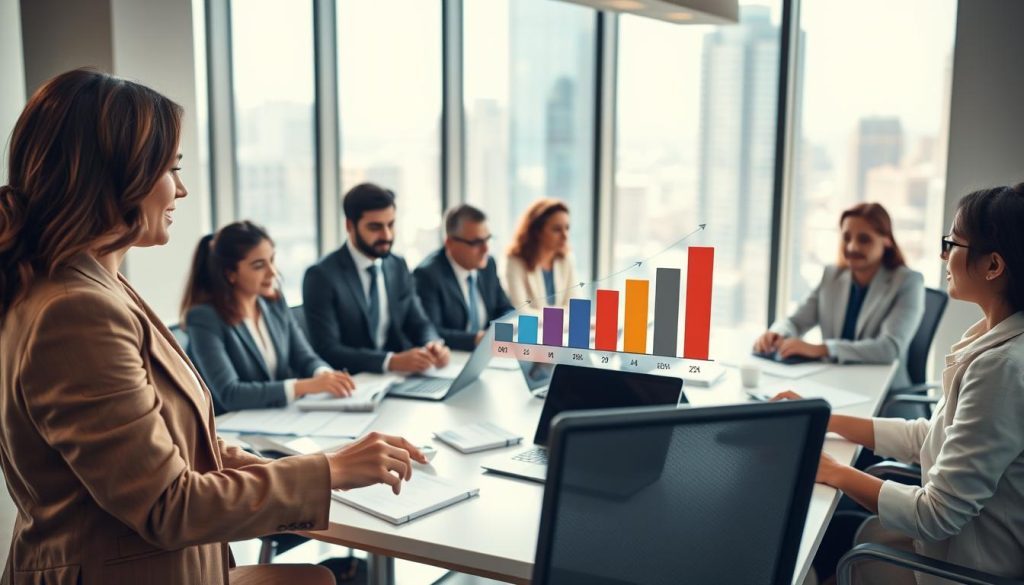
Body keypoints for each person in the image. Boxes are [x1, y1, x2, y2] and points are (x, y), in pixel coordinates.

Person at [0, 69, 425, 585]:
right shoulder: (75, 312)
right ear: (116, 177)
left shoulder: (92, 288)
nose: (180, 190)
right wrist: (329, 471)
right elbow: (167, 505)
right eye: (170, 169)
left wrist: (314, 468)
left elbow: (177, 442)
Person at [777, 185, 1024, 584]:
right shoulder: (995, 343)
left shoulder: (1002, 368)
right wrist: (826, 419)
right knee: (832, 528)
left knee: (817, 539)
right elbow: (930, 436)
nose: (944, 255)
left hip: (964, 569)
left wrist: (833, 471)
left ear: (993, 266)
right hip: (958, 544)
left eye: (952, 243)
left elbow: (935, 514)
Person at [181, 221, 356, 414]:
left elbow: (305, 358)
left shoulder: (275, 303)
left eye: (272, 260)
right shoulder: (204, 318)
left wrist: (326, 376)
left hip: (276, 417)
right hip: (228, 429)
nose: (272, 272)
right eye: (258, 265)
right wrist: (307, 386)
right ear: (230, 274)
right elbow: (230, 394)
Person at [754, 202, 925, 389]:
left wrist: (821, 349)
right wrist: (777, 333)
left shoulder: (908, 282)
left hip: (885, 397)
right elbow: (795, 321)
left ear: (886, 240)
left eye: (864, 239)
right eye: (846, 237)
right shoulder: (831, 276)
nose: (852, 247)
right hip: (834, 384)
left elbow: (889, 348)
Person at [303, 183, 450, 374]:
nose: (386, 235)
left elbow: (418, 322)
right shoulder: (321, 276)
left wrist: (433, 344)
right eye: (375, 227)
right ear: (350, 226)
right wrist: (390, 361)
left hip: (397, 380)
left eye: (391, 225)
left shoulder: (397, 266)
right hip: (351, 383)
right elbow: (328, 350)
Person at [413, 204, 515, 351]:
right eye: (476, 242)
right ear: (450, 243)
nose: (486, 249)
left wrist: (506, 329)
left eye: (488, 239)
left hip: (487, 353)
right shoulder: (427, 275)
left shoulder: (488, 264)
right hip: (452, 356)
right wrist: (476, 340)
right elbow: (432, 331)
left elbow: (505, 308)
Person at [504, 198, 578, 311]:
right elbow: (521, 310)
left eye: (567, 228)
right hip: (528, 329)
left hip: (562, 328)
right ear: (537, 231)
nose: (565, 236)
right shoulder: (515, 261)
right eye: (557, 229)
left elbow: (574, 307)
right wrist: (559, 317)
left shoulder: (566, 259)